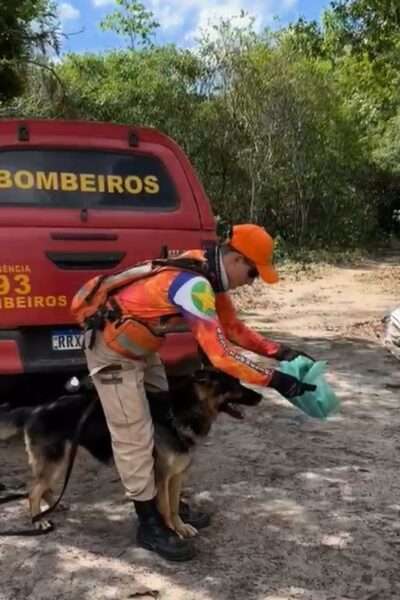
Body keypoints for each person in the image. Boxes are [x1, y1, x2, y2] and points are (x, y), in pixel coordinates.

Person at [82, 224, 315, 561]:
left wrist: (280, 352)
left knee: (166, 417)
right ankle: (149, 524)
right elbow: (220, 353)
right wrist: (276, 380)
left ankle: (168, 505)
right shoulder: (194, 284)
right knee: (134, 435)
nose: (252, 281)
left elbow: (232, 328)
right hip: (113, 352)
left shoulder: (206, 274)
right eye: (252, 272)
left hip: (141, 347)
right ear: (236, 258)